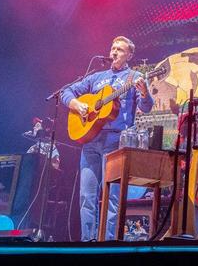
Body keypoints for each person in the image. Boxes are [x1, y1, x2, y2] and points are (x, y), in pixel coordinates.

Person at [61, 36, 153, 241]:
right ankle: (88, 242)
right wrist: (76, 105)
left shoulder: (135, 76)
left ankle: (108, 243)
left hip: (115, 140)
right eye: (113, 48)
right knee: (87, 196)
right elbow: (66, 92)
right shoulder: (96, 77)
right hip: (90, 140)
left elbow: (146, 107)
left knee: (112, 196)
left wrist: (145, 93)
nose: (114, 52)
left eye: (120, 49)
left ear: (129, 54)